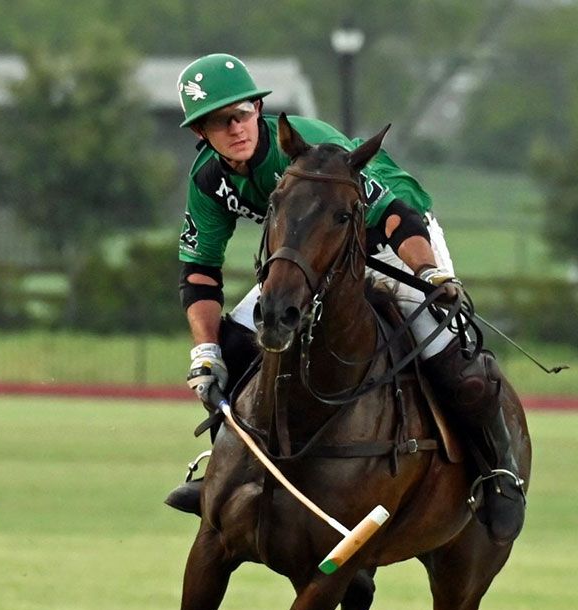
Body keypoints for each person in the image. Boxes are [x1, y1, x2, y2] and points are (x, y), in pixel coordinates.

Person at [165, 53, 524, 545]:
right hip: (312, 261)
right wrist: (204, 352)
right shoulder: (209, 178)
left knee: (454, 363)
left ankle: (497, 473)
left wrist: (430, 272)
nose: (234, 128)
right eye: (216, 122)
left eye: (241, 114)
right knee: (234, 344)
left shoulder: (315, 150)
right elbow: (200, 271)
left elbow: (397, 216)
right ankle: (229, 473)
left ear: (257, 109)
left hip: (393, 243)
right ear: (199, 134)